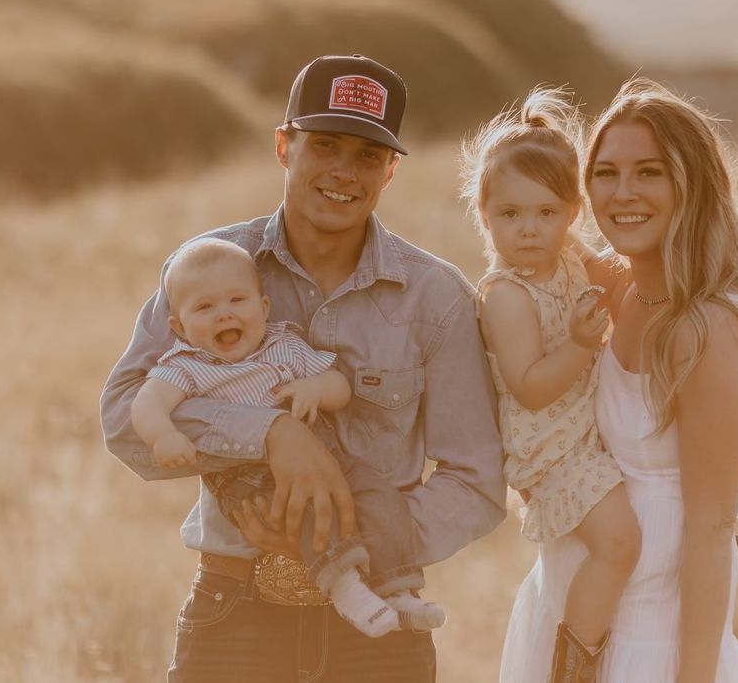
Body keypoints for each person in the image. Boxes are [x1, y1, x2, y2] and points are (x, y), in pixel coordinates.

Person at [100, 54, 507, 683]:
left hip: (380, 628)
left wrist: (353, 537)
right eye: (325, 145)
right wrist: (270, 432)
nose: (345, 171)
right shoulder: (207, 269)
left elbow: (476, 482)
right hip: (234, 610)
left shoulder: (436, 297)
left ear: (390, 170)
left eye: (368, 155)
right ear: (283, 146)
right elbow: (125, 422)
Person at [500, 79, 738, 683]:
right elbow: (530, 224)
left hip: (649, 644)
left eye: (649, 172)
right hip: (561, 620)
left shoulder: (710, 327)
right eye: (606, 173)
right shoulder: (623, 290)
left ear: (693, 185)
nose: (623, 193)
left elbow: (713, 530)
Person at [129, 236, 446, 638]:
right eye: (204, 308)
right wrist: (163, 436)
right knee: (311, 512)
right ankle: (346, 589)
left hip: (328, 458)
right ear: (179, 327)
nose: (224, 314)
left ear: (263, 307)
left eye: (237, 300)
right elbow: (146, 403)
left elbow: (339, 386)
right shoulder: (187, 365)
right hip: (250, 478)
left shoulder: (285, 346)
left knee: (380, 497)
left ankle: (398, 589)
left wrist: (315, 389)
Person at [460, 88, 641, 675]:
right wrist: (581, 344)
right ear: (484, 216)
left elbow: (619, 280)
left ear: (572, 213)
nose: (530, 230)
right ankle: (574, 666)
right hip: (552, 447)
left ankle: (706, 540)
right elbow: (530, 386)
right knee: (619, 544)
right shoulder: (506, 295)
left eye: (546, 213)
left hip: (591, 421)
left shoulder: (568, 252)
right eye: (510, 214)